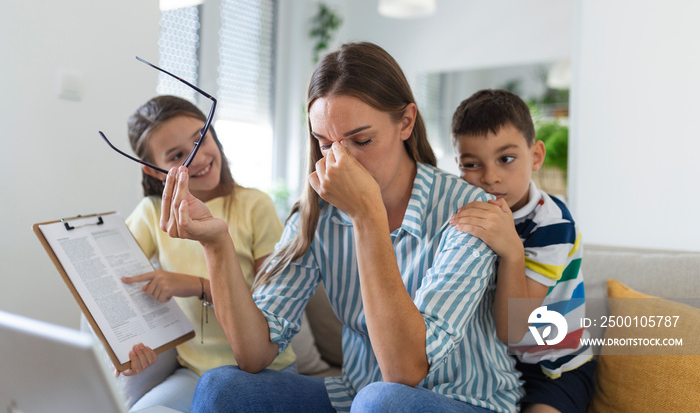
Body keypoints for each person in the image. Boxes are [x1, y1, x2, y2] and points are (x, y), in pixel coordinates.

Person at [159, 42, 524, 413]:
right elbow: (253, 354)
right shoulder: (317, 214)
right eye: (325, 144)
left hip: (466, 402)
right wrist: (216, 245)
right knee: (223, 387)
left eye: (362, 140)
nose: (340, 162)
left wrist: (367, 218)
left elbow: (404, 371)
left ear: (406, 122)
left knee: (383, 401)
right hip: (358, 398)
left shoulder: (471, 212)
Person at [118, 95, 296, 412]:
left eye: (200, 138)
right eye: (176, 155)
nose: (197, 157)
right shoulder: (151, 213)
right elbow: (114, 281)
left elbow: (270, 309)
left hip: (266, 371)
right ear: (156, 172)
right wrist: (122, 350)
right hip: (194, 373)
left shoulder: (255, 205)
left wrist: (195, 284)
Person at [449, 89, 595, 413]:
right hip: (494, 364)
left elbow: (514, 329)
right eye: (472, 164)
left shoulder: (554, 226)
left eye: (506, 159)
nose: (490, 177)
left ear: (537, 156)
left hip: (556, 368)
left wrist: (512, 250)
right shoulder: (468, 212)